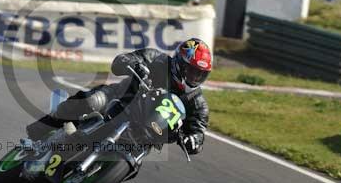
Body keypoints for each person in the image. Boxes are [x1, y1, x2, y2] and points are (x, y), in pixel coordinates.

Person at [26, 38, 212, 155]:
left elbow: (199, 129)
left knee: (136, 158)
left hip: (145, 133)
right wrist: (134, 64)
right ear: (179, 63)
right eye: (192, 71)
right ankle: (41, 130)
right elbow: (120, 61)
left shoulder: (197, 102)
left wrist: (195, 140)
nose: (195, 77)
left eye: (200, 74)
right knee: (91, 101)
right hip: (119, 99)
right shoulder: (158, 59)